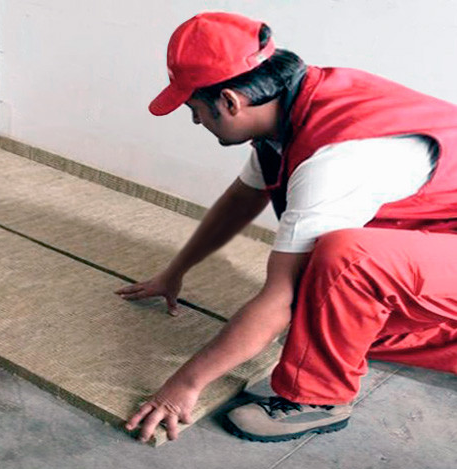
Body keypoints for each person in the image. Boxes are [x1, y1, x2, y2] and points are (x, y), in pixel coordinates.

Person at [116, 11, 457, 444]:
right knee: (324, 324)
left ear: (230, 101)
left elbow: (280, 298)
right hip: (439, 239)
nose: (196, 122)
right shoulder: (291, 111)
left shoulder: (336, 158)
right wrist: (174, 271)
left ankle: (318, 399)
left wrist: (182, 386)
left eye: (194, 109)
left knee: (346, 263)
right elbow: (241, 201)